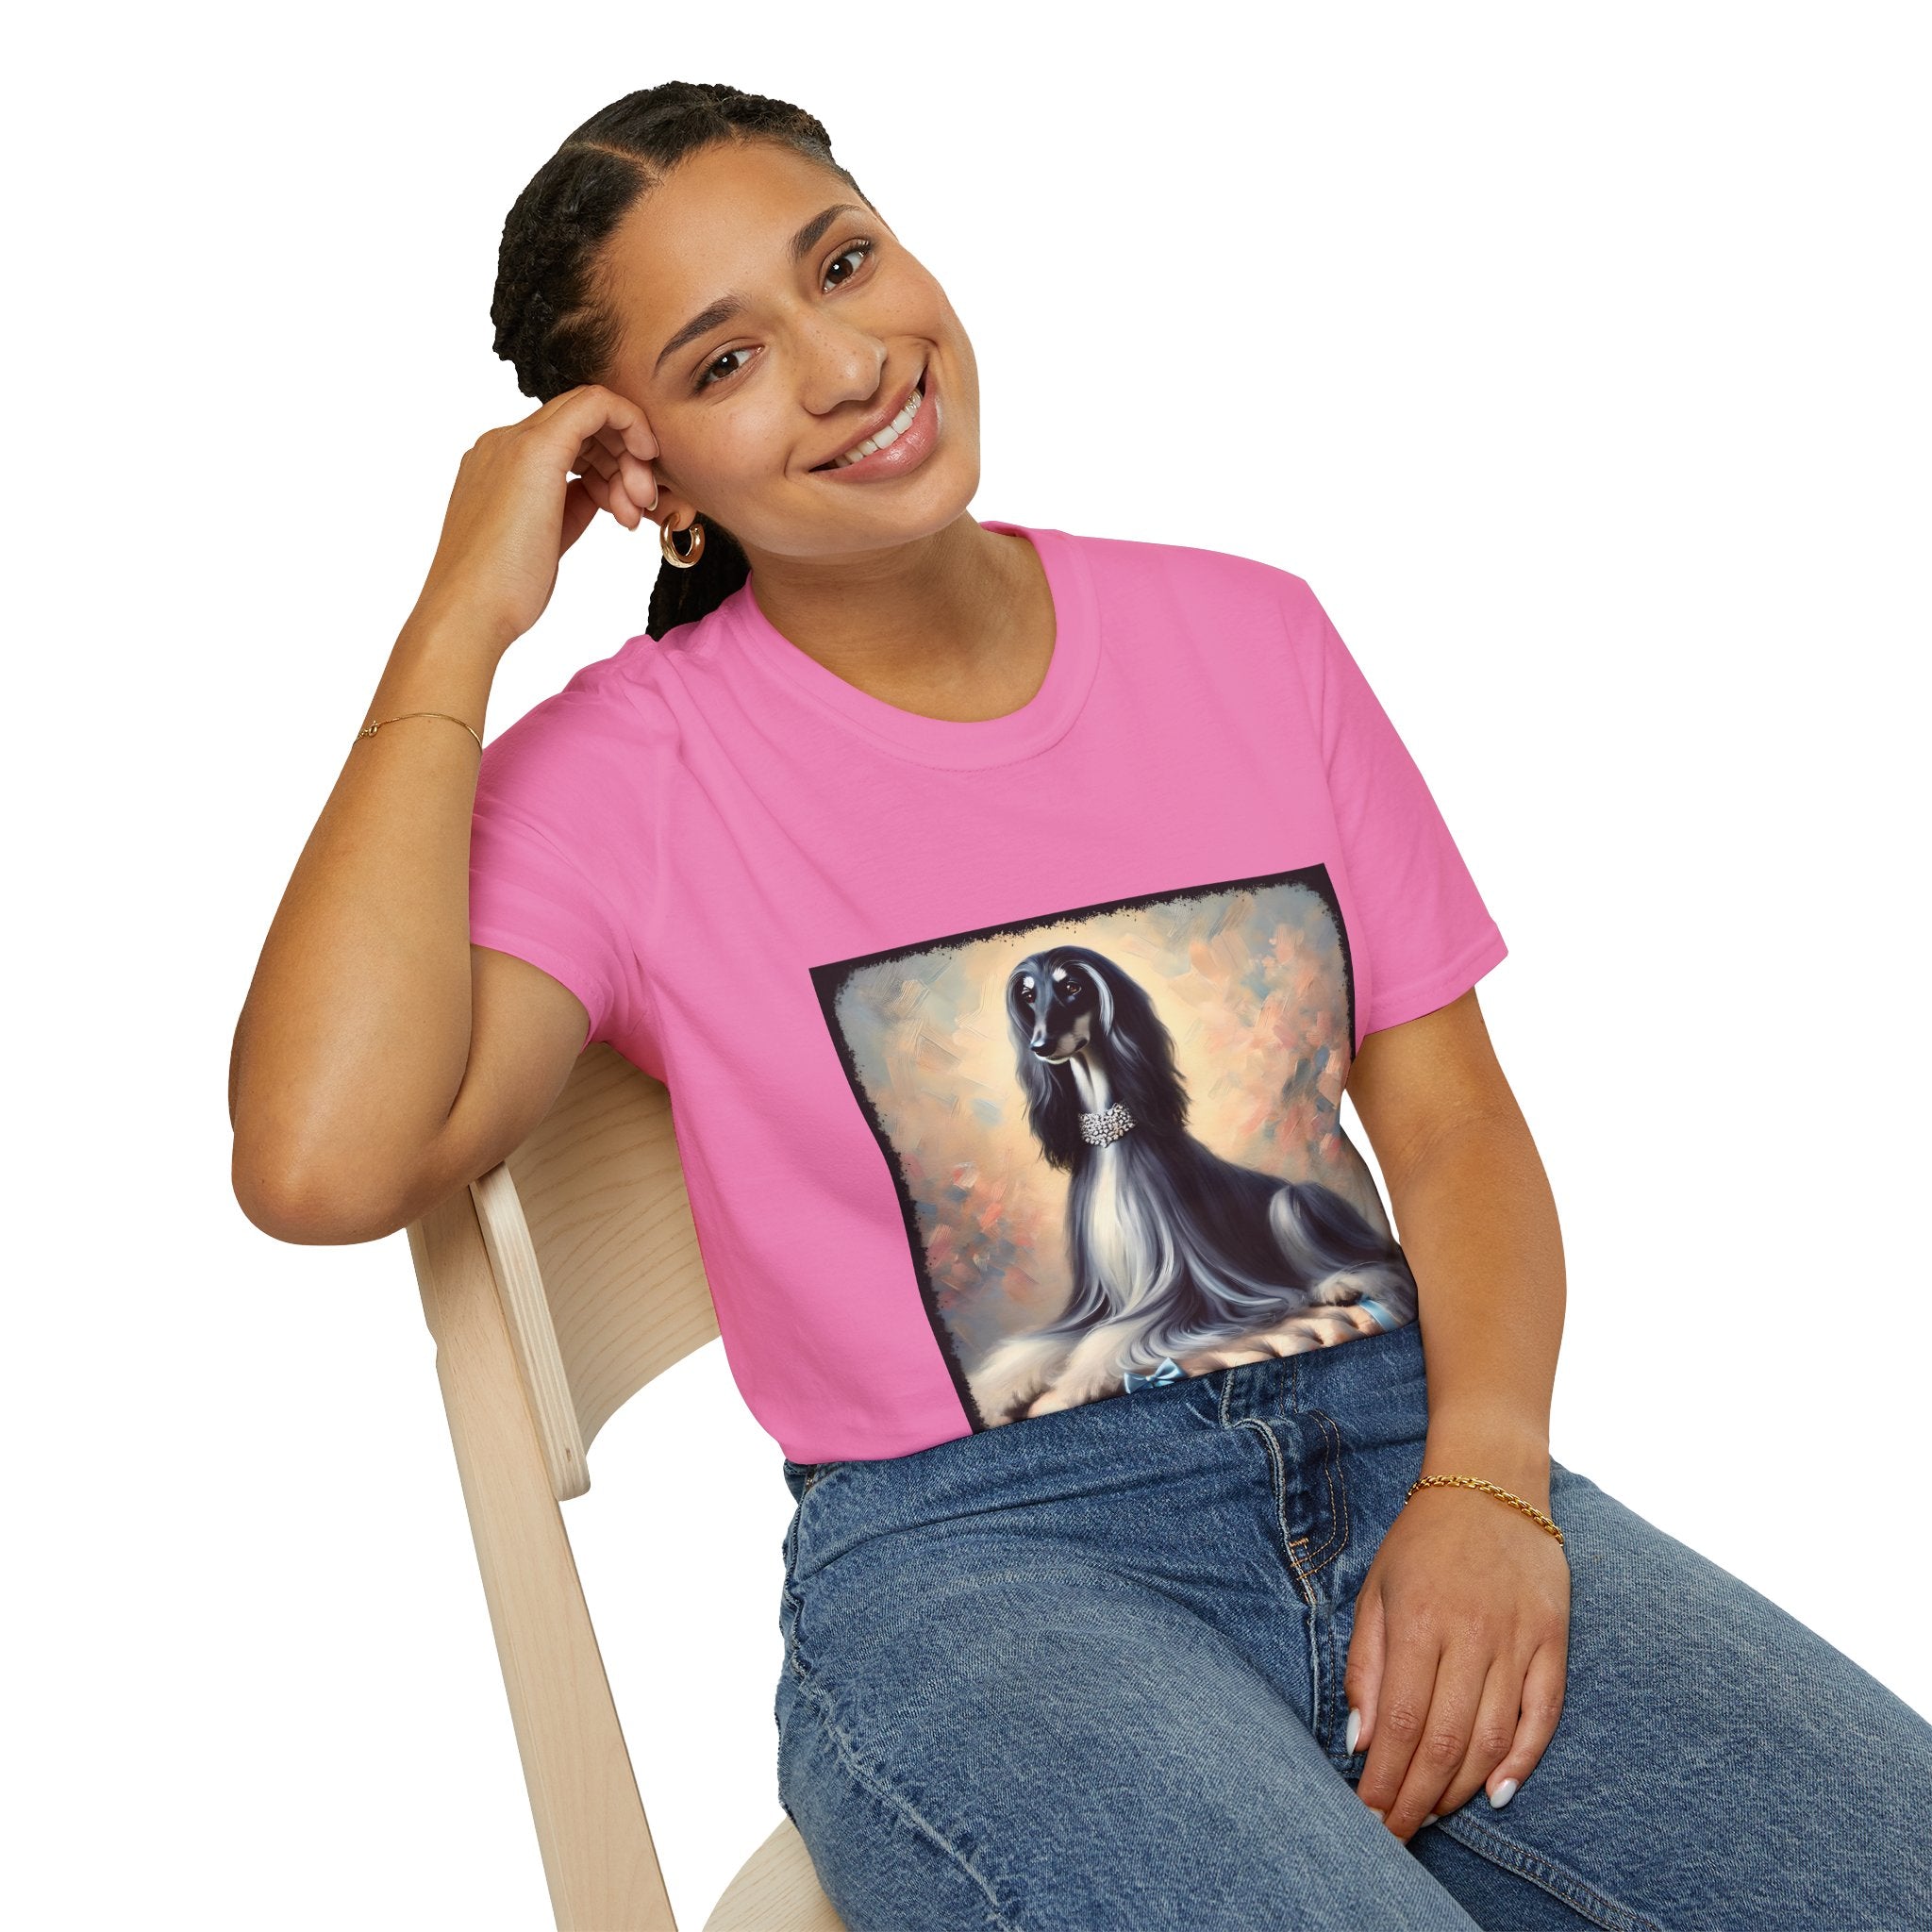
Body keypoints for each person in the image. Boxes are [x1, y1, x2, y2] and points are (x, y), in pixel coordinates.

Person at [228, 80, 1932, 1932]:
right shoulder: (629, 773)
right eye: (725, 362)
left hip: (1401, 1445)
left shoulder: (1249, 636)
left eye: (845, 263)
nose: (845, 362)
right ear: (647, 479)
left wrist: (1489, 1486)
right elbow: (321, 1158)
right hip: (985, 1567)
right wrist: (456, 619)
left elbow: (1445, 1125)